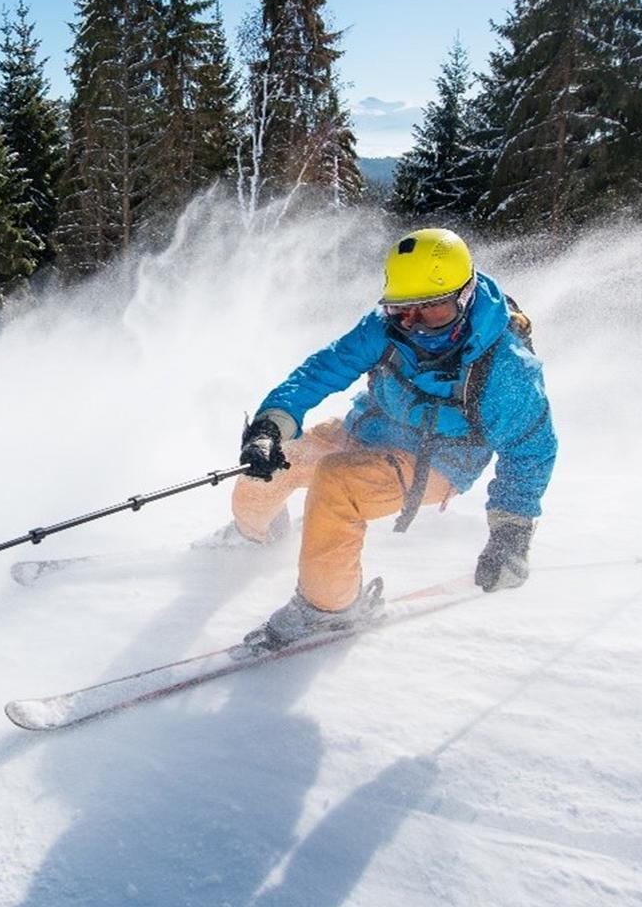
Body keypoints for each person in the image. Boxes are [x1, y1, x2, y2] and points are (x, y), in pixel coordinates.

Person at [225, 227, 557, 650]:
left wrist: (510, 535)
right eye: (402, 310)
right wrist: (272, 425)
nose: (413, 324)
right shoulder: (385, 328)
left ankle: (330, 609)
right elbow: (322, 370)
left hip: (438, 460)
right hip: (366, 428)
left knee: (336, 483)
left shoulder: (505, 367)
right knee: (277, 462)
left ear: (466, 296)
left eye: (431, 310)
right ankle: (256, 532)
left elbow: (531, 449)